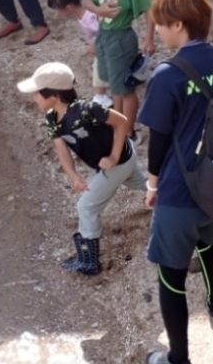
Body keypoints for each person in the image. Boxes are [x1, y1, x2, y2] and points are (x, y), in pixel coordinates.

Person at [137, 0, 213, 364]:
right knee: (209, 243)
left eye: (162, 25)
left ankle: (179, 363)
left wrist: (152, 184)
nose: (160, 33)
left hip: (180, 192)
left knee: (170, 276)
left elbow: (160, 139)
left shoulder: (168, 75)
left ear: (180, 25)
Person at [17, 62, 147, 276]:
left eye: (38, 93)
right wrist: (74, 176)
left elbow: (122, 122)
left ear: (54, 94)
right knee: (146, 186)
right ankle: (180, 192)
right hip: (122, 161)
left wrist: (114, 156)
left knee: (86, 207)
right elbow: (62, 151)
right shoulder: (52, 119)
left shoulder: (87, 110)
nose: (34, 98)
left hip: (119, 161)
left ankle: (89, 261)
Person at [82, 0, 155, 130]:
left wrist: (149, 39)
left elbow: (149, 10)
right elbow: (86, 0)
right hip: (104, 35)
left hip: (121, 38)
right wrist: (99, 11)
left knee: (125, 88)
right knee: (114, 85)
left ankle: (127, 130)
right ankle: (119, 124)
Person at [46, 0, 112, 106]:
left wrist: (95, 44)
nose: (58, 14)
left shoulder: (91, 14)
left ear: (68, 7)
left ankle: (101, 95)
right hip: (104, 45)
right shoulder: (80, 13)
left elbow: (106, 30)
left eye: (58, 10)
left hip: (111, 42)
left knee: (99, 65)